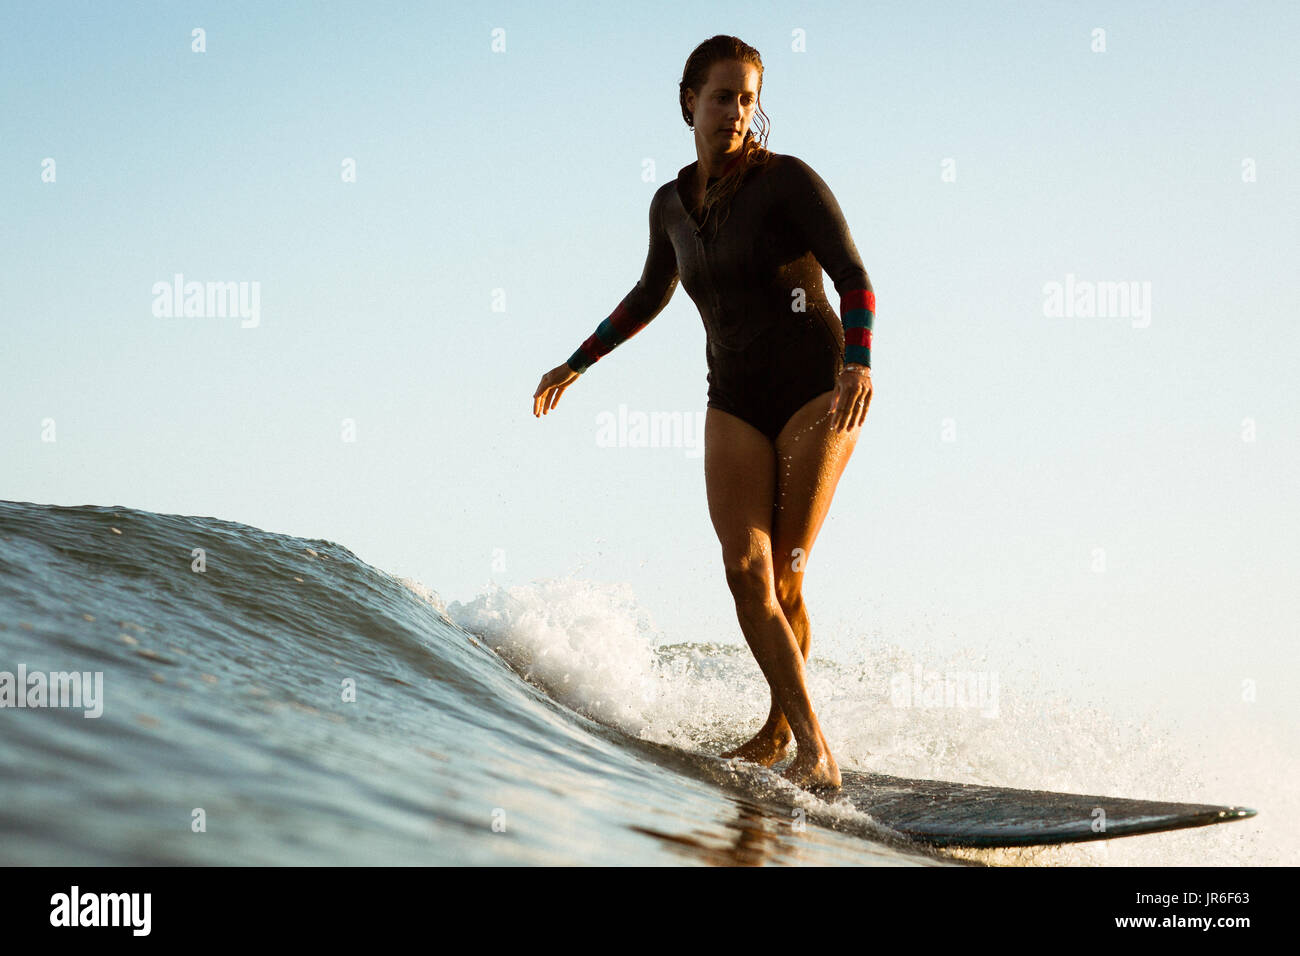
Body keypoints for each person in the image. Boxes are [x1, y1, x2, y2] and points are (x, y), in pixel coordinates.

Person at [532, 35, 875, 790]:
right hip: (735, 396)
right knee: (744, 568)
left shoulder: (787, 183)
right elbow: (648, 297)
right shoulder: (670, 205)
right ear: (688, 100)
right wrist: (577, 362)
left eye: (748, 99)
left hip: (819, 383)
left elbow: (854, 274)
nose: (735, 113)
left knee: (785, 574)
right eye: (722, 97)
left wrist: (860, 360)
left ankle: (805, 746)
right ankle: (794, 735)